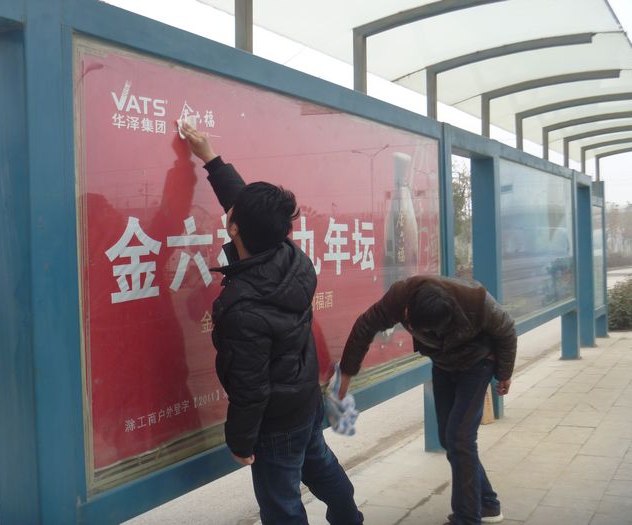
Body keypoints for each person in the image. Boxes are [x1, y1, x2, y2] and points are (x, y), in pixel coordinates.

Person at [181, 123, 364, 525]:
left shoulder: (242, 306)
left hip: (276, 421)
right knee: (321, 465)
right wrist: (210, 158)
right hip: (304, 399)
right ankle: (350, 518)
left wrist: (241, 441)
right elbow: (249, 209)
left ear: (234, 228)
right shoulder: (291, 259)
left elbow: (250, 387)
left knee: (282, 505)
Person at [338, 275, 517, 525]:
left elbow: (507, 331)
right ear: (407, 313)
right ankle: (487, 503)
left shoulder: (475, 300)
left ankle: (467, 518)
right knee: (448, 437)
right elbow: (365, 326)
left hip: (478, 363)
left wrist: (504, 374)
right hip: (443, 363)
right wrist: (347, 373)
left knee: (460, 437)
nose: (433, 334)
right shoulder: (399, 298)